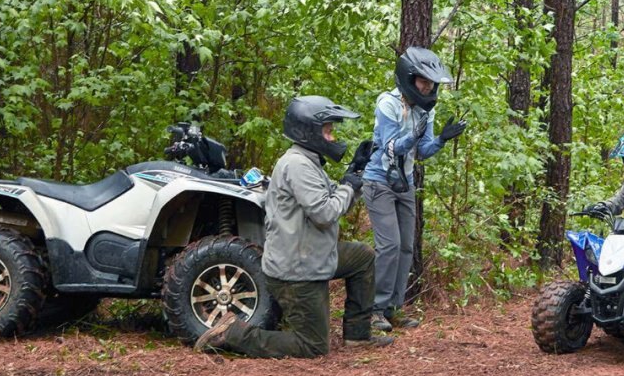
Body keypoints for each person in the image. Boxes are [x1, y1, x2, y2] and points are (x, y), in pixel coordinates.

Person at [194, 95, 393, 356]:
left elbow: (333, 198)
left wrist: (354, 173)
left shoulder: (308, 160)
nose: (333, 137)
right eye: (329, 131)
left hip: (313, 253)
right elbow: (325, 213)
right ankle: (232, 333)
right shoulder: (297, 165)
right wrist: (349, 185)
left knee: (362, 257)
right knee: (313, 346)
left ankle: (358, 334)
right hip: (297, 268)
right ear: (309, 131)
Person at [361, 47, 467, 332]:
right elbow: (391, 146)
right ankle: (374, 311)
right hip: (379, 180)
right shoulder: (388, 103)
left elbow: (422, 152)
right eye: (423, 81)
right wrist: (414, 134)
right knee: (389, 246)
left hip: (404, 182)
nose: (428, 87)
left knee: (406, 247)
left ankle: (393, 308)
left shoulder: (425, 110)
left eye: (431, 83)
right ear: (409, 78)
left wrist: (442, 139)